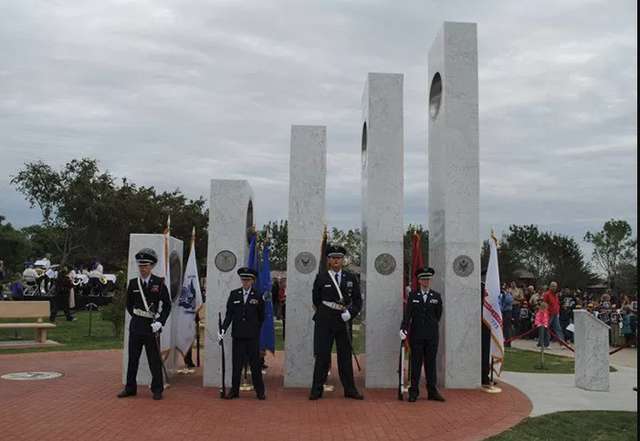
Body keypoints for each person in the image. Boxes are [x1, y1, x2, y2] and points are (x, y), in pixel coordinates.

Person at [309, 244, 363, 400]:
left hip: (344, 321)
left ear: (343, 260)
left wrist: (350, 313)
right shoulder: (321, 277)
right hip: (325, 321)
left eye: (339, 258)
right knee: (322, 355)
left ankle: (350, 389)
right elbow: (316, 300)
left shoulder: (351, 277)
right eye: (333, 258)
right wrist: (328, 311)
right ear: (328, 260)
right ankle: (317, 389)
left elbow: (358, 300)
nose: (336, 261)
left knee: (345, 356)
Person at [118, 248, 171, 401]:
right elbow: (129, 305)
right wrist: (138, 317)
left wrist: (160, 322)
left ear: (152, 266)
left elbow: (167, 305)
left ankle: (157, 389)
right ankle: (130, 388)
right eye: (140, 266)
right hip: (136, 326)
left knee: (154, 360)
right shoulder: (133, 283)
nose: (142, 269)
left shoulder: (159, 283)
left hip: (152, 328)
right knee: (132, 358)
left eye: (145, 266)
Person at [218, 267, 266, 400]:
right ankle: (234, 390)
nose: (245, 282)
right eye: (243, 280)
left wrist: (255, 330)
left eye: (248, 280)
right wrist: (223, 329)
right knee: (237, 364)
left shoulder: (258, 295)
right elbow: (229, 315)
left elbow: (261, 316)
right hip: (238, 335)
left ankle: (260, 391)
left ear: (253, 281)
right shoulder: (234, 294)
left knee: (255, 365)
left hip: (252, 336)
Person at [400, 266, 445, 402]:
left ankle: (432, 391)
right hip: (417, 335)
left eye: (428, 279)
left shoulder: (436, 296)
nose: (426, 281)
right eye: (423, 279)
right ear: (419, 281)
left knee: (431, 364)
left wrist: (429, 327)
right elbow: (408, 315)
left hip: (431, 336)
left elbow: (438, 315)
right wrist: (403, 328)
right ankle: (414, 391)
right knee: (416, 363)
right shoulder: (413, 296)